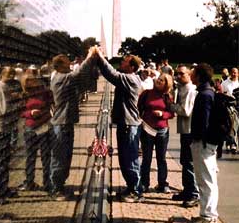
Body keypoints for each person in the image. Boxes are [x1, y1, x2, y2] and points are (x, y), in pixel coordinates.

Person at [92, 46, 143, 202]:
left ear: (132, 67)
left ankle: (135, 191)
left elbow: (111, 74)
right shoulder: (129, 78)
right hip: (126, 124)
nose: (121, 63)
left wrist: (99, 58)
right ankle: (131, 187)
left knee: (130, 158)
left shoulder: (130, 78)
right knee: (125, 158)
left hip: (129, 125)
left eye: (125, 62)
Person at [49, 46, 98, 199]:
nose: (70, 66)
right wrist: (90, 56)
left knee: (66, 155)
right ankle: (56, 188)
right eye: (67, 64)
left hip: (66, 122)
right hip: (61, 123)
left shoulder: (62, 76)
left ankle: (60, 185)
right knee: (59, 156)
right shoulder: (60, 78)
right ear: (59, 66)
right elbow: (79, 72)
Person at [187, 63, 218, 223]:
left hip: (203, 144)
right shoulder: (209, 92)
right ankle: (209, 215)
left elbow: (203, 122)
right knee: (210, 180)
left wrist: (196, 140)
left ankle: (207, 218)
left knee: (205, 181)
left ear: (198, 76)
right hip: (208, 143)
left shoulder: (204, 95)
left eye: (193, 72)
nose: (191, 73)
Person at [138, 73, 175, 193]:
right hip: (147, 129)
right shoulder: (146, 93)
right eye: (159, 79)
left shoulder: (167, 97)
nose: (158, 81)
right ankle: (144, 183)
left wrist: (162, 114)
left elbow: (171, 113)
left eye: (162, 80)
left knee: (161, 158)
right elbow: (139, 109)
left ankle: (162, 184)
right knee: (146, 158)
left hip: (162, 130)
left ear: (166, 84)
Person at [170, 65, 199, 206]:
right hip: (185, 129)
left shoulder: (189, 90)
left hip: (189, 130)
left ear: (189, 74)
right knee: (185, 161)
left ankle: (193, 193)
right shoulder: (182, 89)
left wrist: (170, 105)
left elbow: (185, 110)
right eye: (177, 74)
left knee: (189, 162)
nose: (178, 76)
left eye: (181, 74)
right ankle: (187, 189)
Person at [0, 66, 19, 203]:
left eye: (13, 73)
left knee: (5, 160)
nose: (12, 76)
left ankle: (4, 187)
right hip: (2, 127)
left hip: (8, 126)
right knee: (0, 160)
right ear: (2, 74)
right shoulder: (0, 86)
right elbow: (4, 109)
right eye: (9, 74)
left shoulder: (5, 86)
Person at [19, 72, 53, 192]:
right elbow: (20, 111)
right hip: (30, 127)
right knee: (30, 156)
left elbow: (51, 104)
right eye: (28, 81)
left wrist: (47, 114)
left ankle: (47, 183)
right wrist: (30, 113)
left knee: (46, 156)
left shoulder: (44, 91)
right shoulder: (23, 94)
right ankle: (29, 182)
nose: (31, 83)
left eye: (32, 80)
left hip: (44, 126)